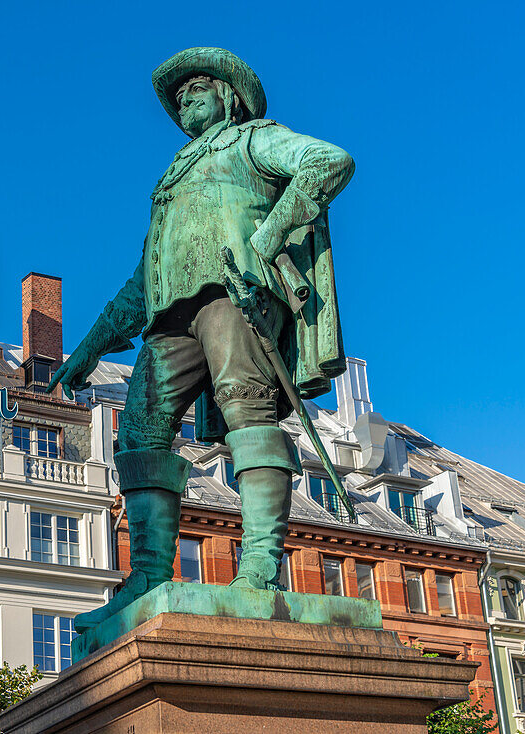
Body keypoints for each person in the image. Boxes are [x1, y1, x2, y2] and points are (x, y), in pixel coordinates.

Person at [47, 47, 355, 632]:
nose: (185, 99)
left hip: (233, 293)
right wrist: (89, 346)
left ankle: (259, 565)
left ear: (228, 97)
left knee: (246, 404)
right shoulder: (175, 173)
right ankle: (149, 575)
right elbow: (144, 277)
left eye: (197, 89)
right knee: (138, 430)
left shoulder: (253, 140)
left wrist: (268, 236)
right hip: (170, 316)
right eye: (179, 93)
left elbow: (328, 161)